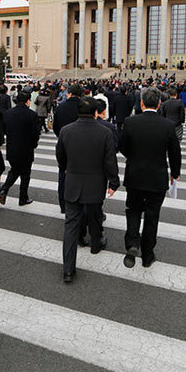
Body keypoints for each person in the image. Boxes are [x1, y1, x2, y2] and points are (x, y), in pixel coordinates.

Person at [55, 97, 120, 283]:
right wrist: (113, 182)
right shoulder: (104, 132)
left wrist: (67, 167)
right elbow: (110, 160)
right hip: (95, 183)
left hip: (73, 182)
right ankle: (96, 243)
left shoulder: (66, 131)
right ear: (95, 113)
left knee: (70, 226)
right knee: (95, 215)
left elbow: (60, 156)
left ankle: (68, 269)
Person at [119, 87, 181, 269]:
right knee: (152, 216)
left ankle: (132, 243)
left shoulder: (130, 122)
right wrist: (174, 173)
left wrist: (134, 157)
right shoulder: (168, 125)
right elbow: (175, 153)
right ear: (159, 104)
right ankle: (147, 255)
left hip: (135, 175)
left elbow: (122, 146)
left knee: (133, 210)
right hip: (157, 177)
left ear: (141, 103)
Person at [0, 91, 39, 206]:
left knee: (15, 169)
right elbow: (35, 134)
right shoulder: (31, 115)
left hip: (12, 148)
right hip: (26, 149)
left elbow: (5, 130)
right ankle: (23, 198)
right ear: (27, 101)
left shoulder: (7, 113)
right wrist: (34, 144)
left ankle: (4, 189)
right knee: (25, 174)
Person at [53, 83, 82, 213]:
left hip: (64, 144)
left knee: (63, 173)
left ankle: (63, 204)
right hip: (81, 145)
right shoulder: (83, 108)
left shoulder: (61, 108)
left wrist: (61, 135)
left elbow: (55, 126)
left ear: (69, 94)